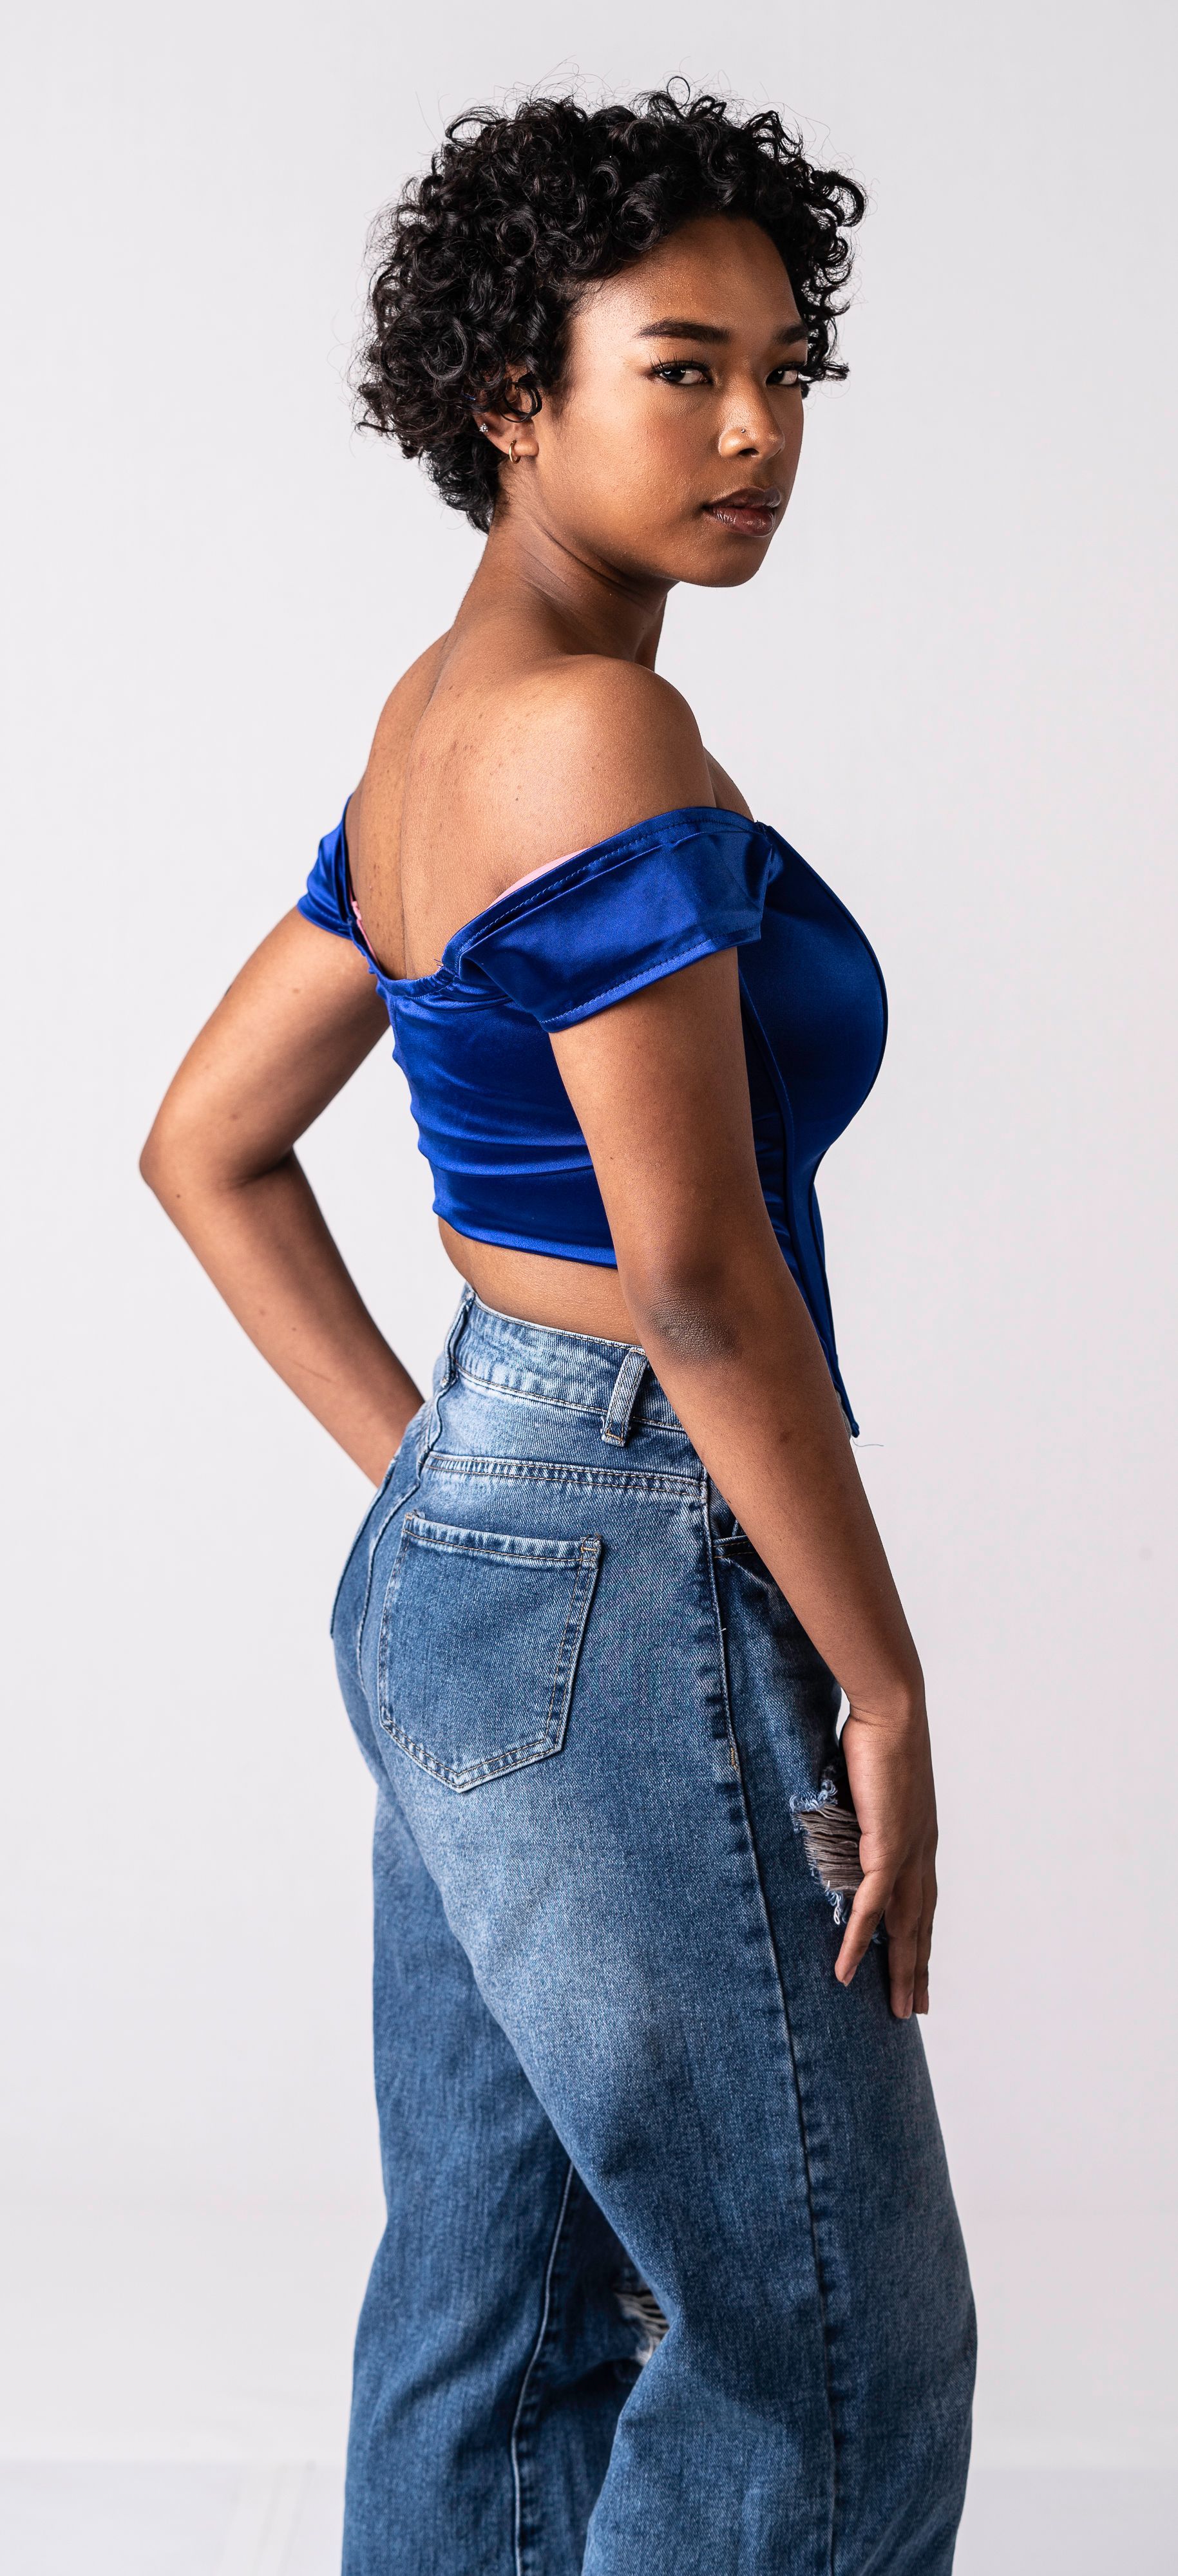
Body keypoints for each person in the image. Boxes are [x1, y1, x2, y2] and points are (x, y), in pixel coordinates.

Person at [142, 85, 974, 2576]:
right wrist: (889, 1679)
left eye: (791, 372)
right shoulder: (598, 734)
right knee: (824, 2342)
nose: (758, 437)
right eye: (683, 370)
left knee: (497, 2312)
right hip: (622, 1546)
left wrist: (457, 1480)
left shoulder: (442, 718)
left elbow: (207, 1142)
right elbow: (701, 1283)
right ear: (516, 396)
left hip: (482, 1559)